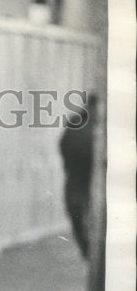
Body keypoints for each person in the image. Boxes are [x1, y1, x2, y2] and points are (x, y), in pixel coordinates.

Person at [59, 93, 96, 260]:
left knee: (77, 214)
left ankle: (88, 250)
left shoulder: (76, 122)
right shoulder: (82, 124)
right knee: (79, 215)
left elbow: (62, 145)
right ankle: (89, 251)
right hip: (82, 176)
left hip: (78, 177)